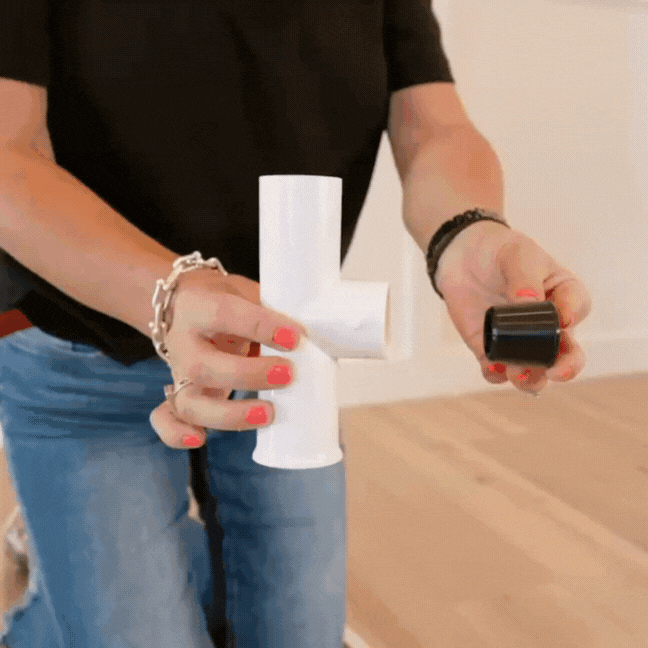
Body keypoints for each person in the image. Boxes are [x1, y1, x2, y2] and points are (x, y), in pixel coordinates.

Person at [0, 1, 591, 647]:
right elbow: (7, 152)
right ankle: (61, 570)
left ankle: (79, 557)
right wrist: (169, 294)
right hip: (79, 355)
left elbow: (434, 128)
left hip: (284, 356)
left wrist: (465, 232)